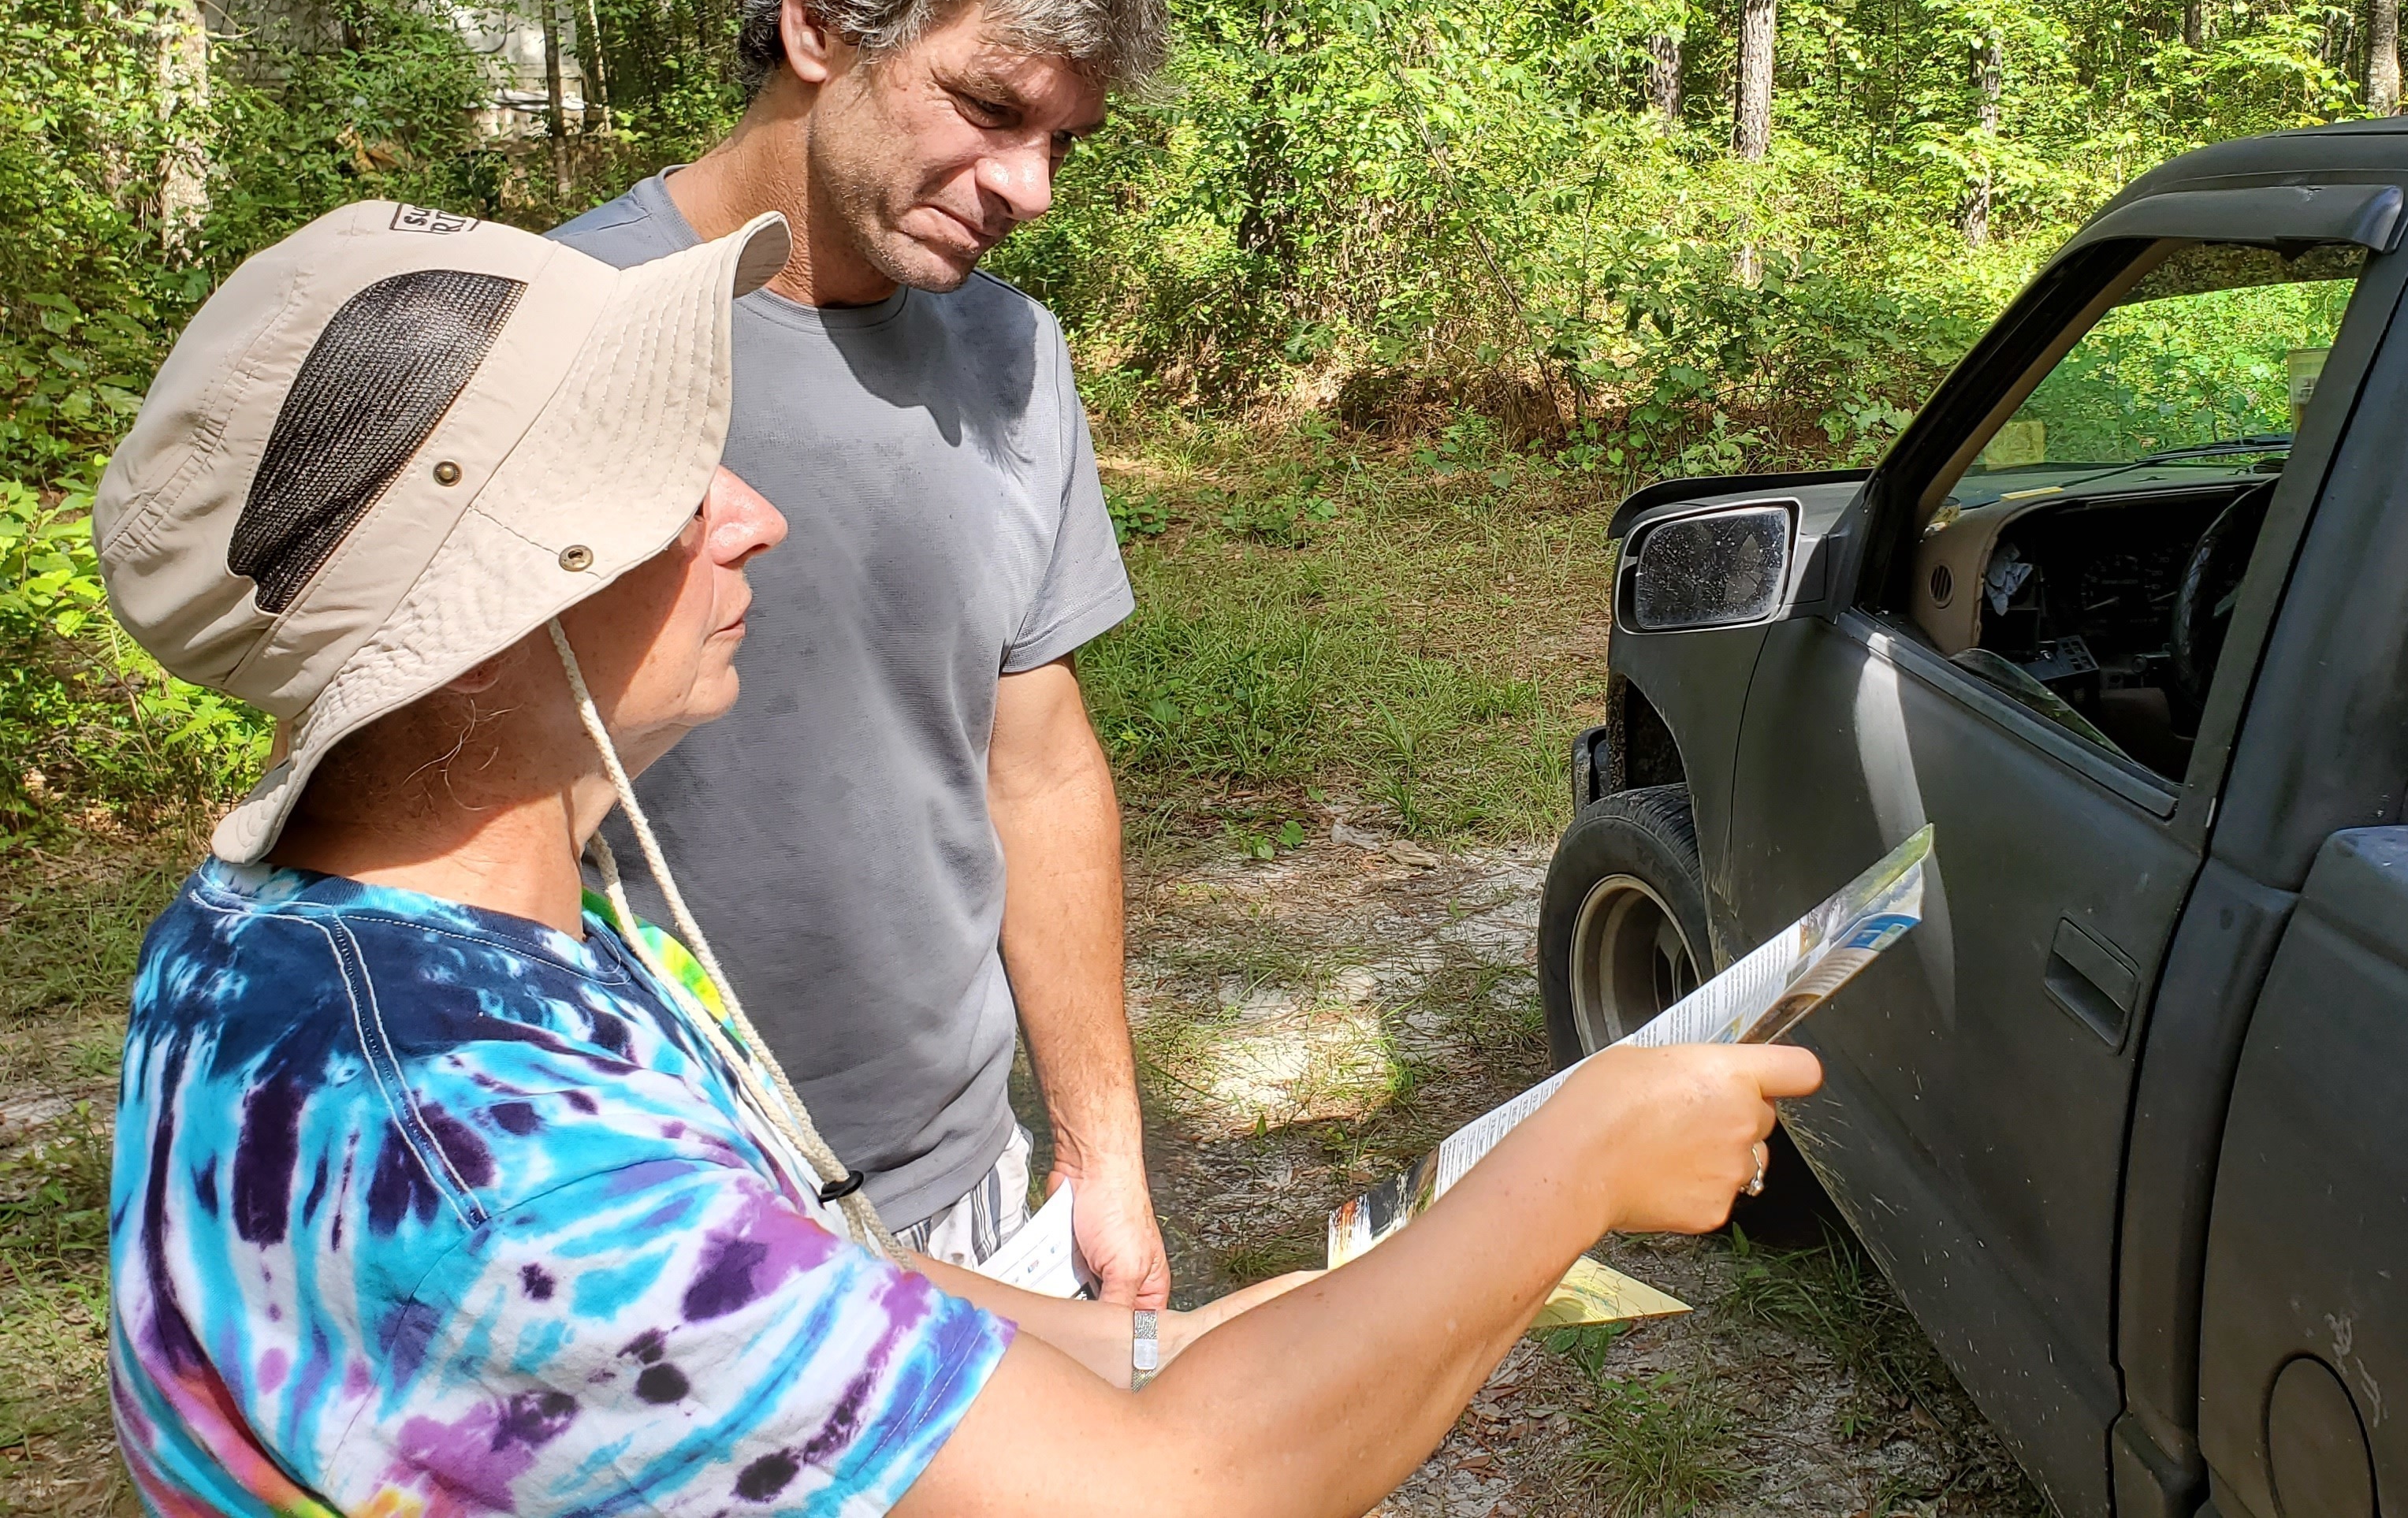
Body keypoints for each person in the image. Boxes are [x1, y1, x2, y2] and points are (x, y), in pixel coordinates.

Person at [96, 200, 1818, 1517]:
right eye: (660, 486)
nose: (750, 512)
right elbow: (1185, 1496)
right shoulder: (474, 1156)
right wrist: (1574, 1167)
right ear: (488, 622)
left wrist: (1174, 1347)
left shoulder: (373, 933)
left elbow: (793, 1276)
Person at [546, 0, 1176, 1288]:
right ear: (820, 18)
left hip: (966, 1190)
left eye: (1064, 143)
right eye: (988, 107)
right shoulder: (540, 337)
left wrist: (1102, 1153)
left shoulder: (1015, 360)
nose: (1028, 186)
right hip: (641, 1217)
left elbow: (1036, 767)